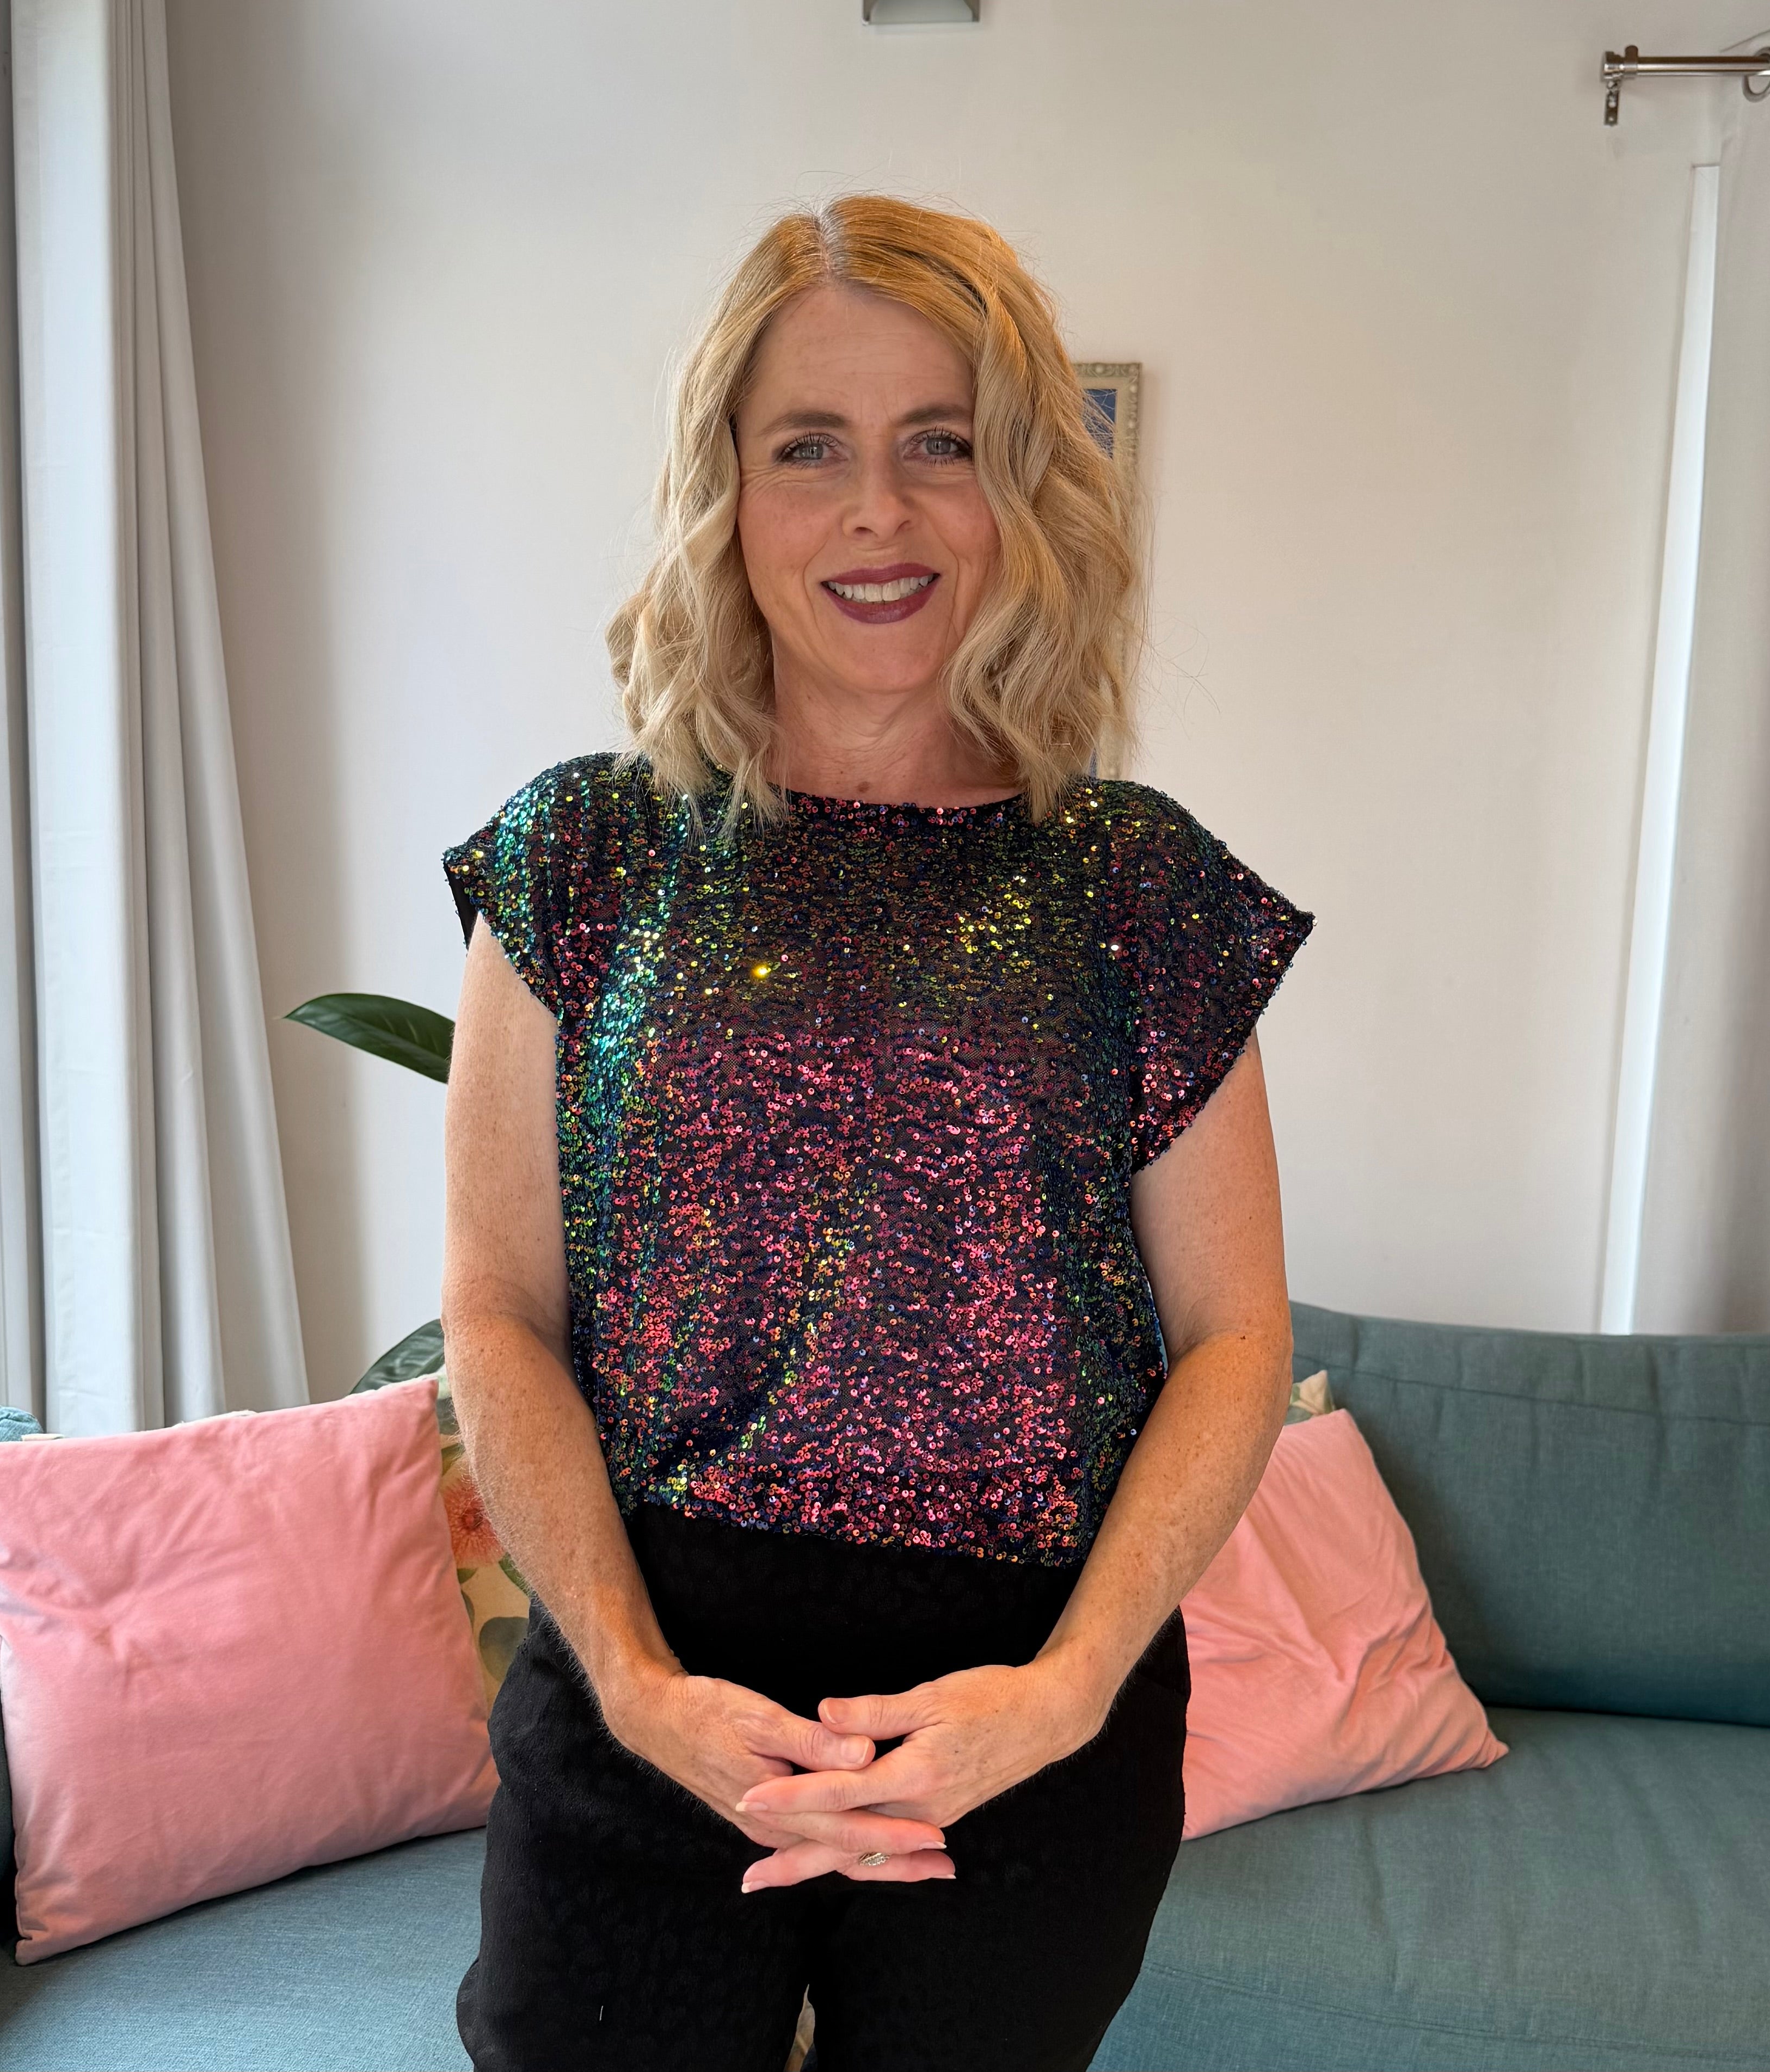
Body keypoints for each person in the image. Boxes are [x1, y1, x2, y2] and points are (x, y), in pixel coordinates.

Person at [440, 194, 1312, 2072]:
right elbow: (499, 1311)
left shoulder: (1135, 885)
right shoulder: (585, 858)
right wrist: (641, 1683)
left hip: (1020, 1720)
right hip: (651, 1689)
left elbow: (1237, 1334)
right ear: (723, 495)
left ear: (1022, 495)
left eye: (944, 447)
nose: (877, 515)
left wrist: (1069, 1693)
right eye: (808, 448)